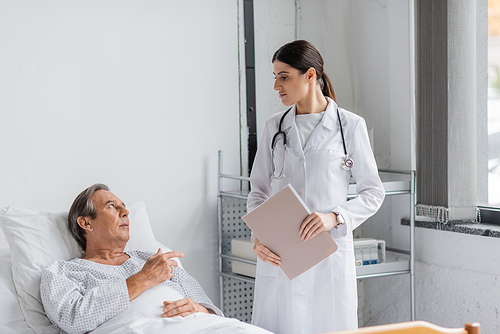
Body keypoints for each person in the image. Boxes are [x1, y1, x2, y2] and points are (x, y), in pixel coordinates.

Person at [247, 40, 385, 334]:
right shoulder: (275, 127)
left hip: (328, 254)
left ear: (310, 75)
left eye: (284, 76)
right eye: (275, 77)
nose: (276, 86)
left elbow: (373, 192)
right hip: (280, 254)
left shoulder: (350, 126)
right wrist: (258, 235)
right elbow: (258, 191)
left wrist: (333, 217)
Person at [40, 184, 223, 334]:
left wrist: (200, 310)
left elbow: (212, 311)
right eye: (112, 206)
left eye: (124, 206)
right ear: (86, 223)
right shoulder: (62, 272)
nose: (125, 211)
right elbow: (74, 320)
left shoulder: (155, 261)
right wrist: (142, 279)